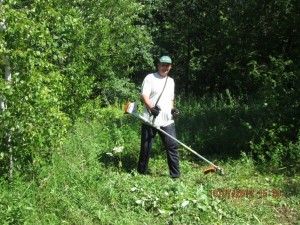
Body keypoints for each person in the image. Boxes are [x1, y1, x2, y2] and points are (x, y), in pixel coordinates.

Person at [137, 55, 180, 178]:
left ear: (170, 67)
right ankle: (141, 174)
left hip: (167, 121)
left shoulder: (171, 81)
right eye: (163, 65)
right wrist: (151, 108)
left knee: (172, 146)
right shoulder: (150, 78)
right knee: (146, 148)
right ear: (158, 65)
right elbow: (144, 95)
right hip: (150, 120)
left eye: (167, 65)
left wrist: (173, 110)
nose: (165, 67)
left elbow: (170, 99)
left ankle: (175, 175)